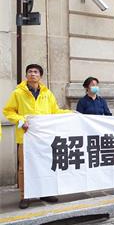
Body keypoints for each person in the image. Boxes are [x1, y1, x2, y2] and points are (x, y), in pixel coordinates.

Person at [3, 64, 71, 209]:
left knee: (45, 165)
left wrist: (71, 114)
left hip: (43, 138)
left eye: (35, 72)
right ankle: (25, 196)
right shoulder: (18, 93)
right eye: (30, 72)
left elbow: (55, 112)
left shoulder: (47, 94)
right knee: (24, 168)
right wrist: (21, 121)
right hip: (26, 137)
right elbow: (8, 112)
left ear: (40, 76)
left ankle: (44, 193)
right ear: (26, 75)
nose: (32, 74)